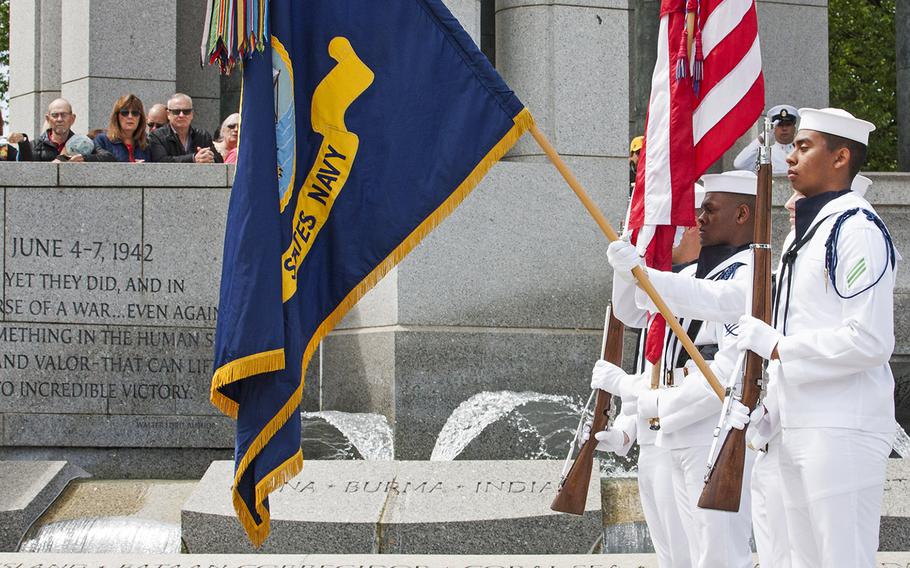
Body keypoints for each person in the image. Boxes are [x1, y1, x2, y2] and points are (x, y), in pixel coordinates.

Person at [604, 171, 757, 567]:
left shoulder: (753, 273)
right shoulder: (694, 274)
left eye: (709, 209)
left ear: (742, 214)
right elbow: (634, 309)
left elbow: (727, 362)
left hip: (710, 428)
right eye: (698, 210)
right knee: (676, 555)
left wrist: (645, 398)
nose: (699, 219)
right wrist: (629, 260)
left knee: (716, 554)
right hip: (669, 425)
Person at [148, 93, 223, 163]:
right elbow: (160, 161)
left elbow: (219, 160)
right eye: (176, 111)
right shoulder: (156, 136)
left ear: (192, 114)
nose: (181, 115)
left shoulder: (203, 136)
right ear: (168, 114)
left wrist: (209, 157)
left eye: (186, 111)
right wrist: (193, 158)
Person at [31, 99, 109, 162]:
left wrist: (84, 158)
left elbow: (108, 157)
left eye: (64, 115)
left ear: (72, 119)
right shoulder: (34, 145)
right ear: (48, 119)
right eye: (55, 115)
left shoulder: (83, 142)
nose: (59, 119)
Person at [733, 104, 799, 173]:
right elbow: (739, 164)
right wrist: (763, 136)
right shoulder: (765, 154)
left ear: (794, 128)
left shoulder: (801, 153)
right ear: (774, 129)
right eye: (780, 125)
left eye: (788, 124)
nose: (784, 128)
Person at [94, 94, 151, 163]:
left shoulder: (147, 142)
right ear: (116, 116)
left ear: (140, 117)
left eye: (135, 113)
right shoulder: (102, 140)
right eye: (125, 112)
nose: (130, 116)